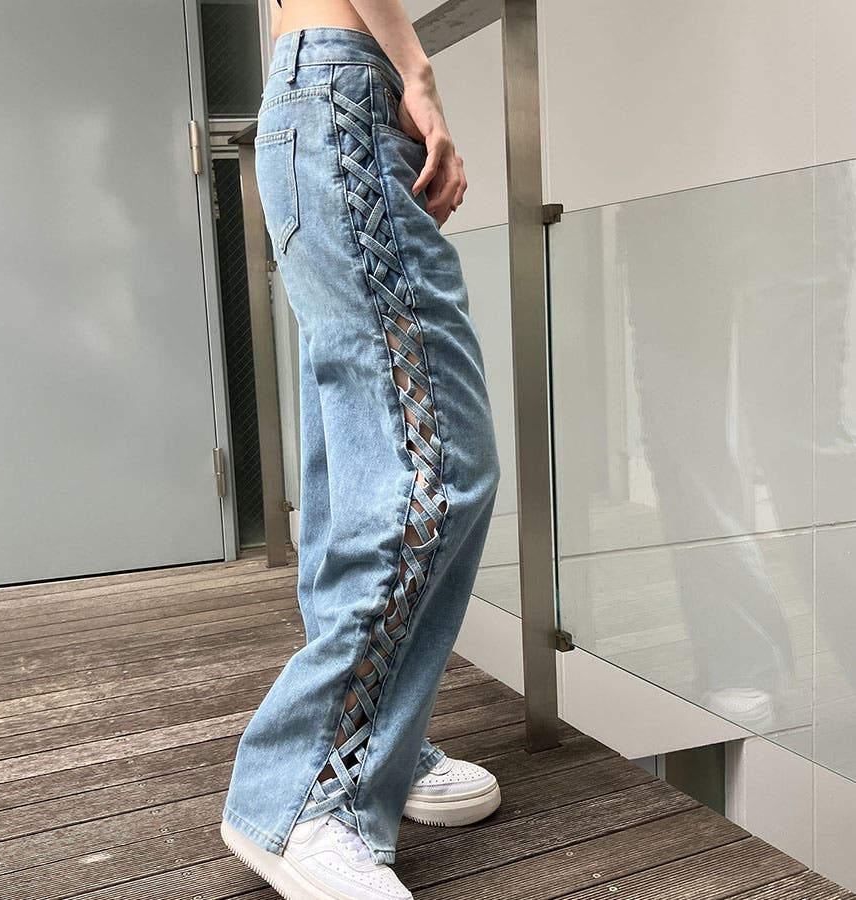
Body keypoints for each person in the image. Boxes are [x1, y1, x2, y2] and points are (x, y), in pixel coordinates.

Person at [220, 1, 502, 897]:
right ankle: (306, 793)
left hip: (316, 98)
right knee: (436, 469)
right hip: (346, 95)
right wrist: (418, 73)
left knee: (358, 462)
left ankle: (371, 746)